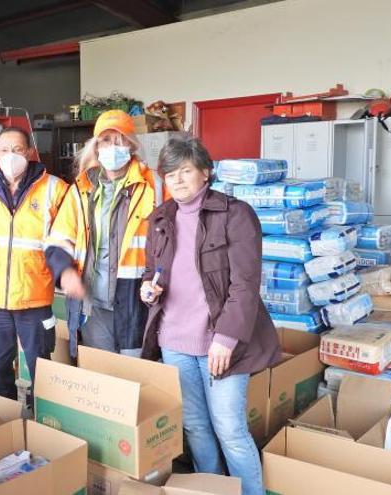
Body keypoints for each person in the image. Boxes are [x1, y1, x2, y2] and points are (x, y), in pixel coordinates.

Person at [140, 135, 281, 495]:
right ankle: (213, 487)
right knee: (196, 426)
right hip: (174, 340)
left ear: (205, 172)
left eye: (185, 171)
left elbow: (245, 285)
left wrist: (226, 339)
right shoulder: (159, 219)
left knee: (230, 429)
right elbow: (152, 271)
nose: (177, 180)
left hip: (221, 343)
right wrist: (148, 289)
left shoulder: (235, 214)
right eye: (169, 174)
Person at [45, 109, 163, 357]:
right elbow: (58, 239)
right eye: (106, 139)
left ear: (131, 145)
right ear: (96, 146)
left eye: (120, 138)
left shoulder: (154, 185)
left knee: (136, 377)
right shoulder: (81, 188)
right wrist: (65, 272)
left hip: (137, 302)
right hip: (93, 305)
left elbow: (174, 240)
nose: (113, 145)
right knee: (102, 377)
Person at [0, 127, 68, 400]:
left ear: (30, 152)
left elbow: (67, 236)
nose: (11, 156)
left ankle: (43, 426)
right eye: (5, 150)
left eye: (18, 150)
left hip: (34, 299)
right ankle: (5, 426)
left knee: (41, 371)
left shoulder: (55, 189)